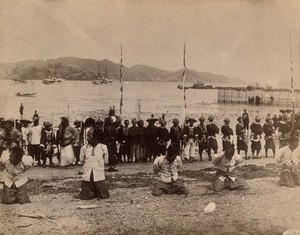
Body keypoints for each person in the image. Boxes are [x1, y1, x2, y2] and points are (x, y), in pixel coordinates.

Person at [75, 128, 110, 200]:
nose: (87, 138)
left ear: (96, 137)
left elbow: (106, 160)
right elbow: (81, 161)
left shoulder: (103, 147)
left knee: (103, 194)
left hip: (99, 174)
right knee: (86, 194)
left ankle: (97, 192)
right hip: (87, 174)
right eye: (87, 136)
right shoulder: (84, 148)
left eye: (89, 136)